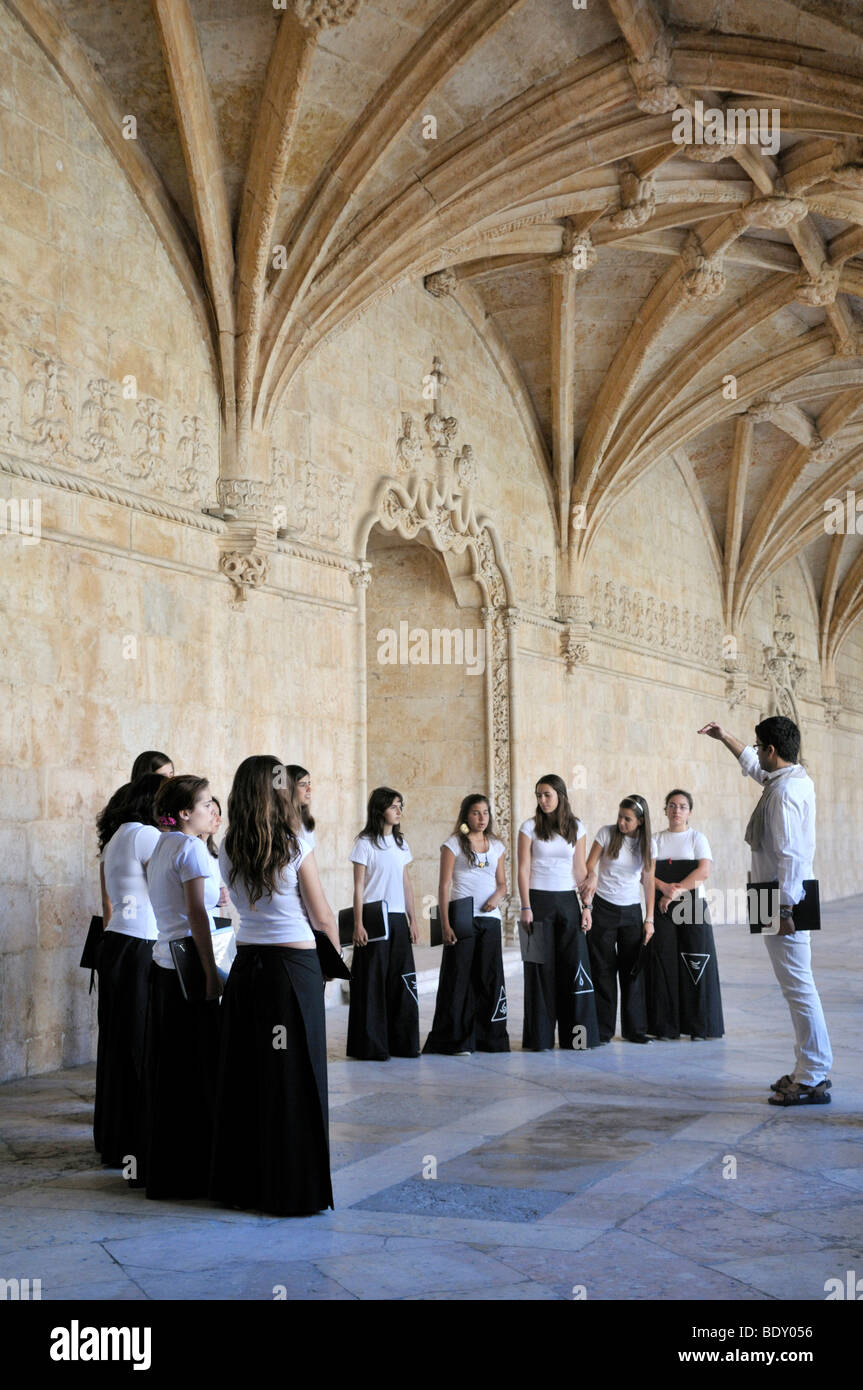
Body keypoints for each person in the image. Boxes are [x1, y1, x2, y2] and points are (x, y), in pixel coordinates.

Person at [211, 756, 336, 1215]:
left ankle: (246, 1184)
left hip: (249, 966)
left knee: (250, 1075)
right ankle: (293, 1187)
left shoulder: (227, 847)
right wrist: (335, 961)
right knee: (296, 1074)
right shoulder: (294, 842)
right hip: (295, 964)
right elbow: (321, 914)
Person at [699, 717, 832, 1105]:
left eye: (760, 747)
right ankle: (808, 1065)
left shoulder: (784, 794)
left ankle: (812, 1074)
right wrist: (725, 737)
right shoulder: (791, 780)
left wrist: (785, 909)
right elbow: (755, 768)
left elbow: (791, 855)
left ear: (772, 750)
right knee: (796, 987)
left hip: (781, 897)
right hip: (775, 894)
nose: (756, 752)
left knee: (799, 987)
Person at [139, 775, 222, 1198]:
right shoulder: (190, 848)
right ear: (185, 813)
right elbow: (196, 915)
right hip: (188, 966)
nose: (213, 810)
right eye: (206, 803)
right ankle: (193, 1171)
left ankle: (167, 1170)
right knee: (196, 1070)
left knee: (171, 1071)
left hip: (162, 964)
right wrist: (211, 970)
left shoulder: (162, 845)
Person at [93, 773, 163, 1168]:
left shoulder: (117, 836)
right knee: (140, 1044)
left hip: (118, 941)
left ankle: (114, 1137)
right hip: (141, 943)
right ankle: (138, 1142)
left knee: (118, 1043)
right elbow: (167, 888)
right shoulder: (146, 836)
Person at [517, 774, 600, 1051]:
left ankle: (577, 1039)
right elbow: (523, 869)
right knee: (538, 971)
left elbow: (580, 871)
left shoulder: (576, 827)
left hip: (568, 902)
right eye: (538, 795)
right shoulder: (529, 827)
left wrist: (586, 907)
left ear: (560, 796)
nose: (542, 800)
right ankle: (539, 1040)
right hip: (537, 903)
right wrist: (525, 906)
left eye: (547, 795)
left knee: (573, 969)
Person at [423, 795, 510, 1056]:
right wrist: (445, 925)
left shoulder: (496, 846)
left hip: (490, 920)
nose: (482, 818)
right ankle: (456, 1040)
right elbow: (444, 885)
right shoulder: (453, 845)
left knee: (489, 977)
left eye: (485, 813)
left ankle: (489, 1038)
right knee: (459, 978)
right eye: (475, 813)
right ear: (465, 815)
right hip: (461, 917)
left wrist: (496, 898)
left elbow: (503, 884)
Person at [346, 786, 419, 1060]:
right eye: (393, 806)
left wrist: (413, 919)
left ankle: (403, 1044)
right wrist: (357, 923)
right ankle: (372, 1045)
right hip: (374, 919)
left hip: (399, 918)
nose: (399, 811)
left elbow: (406, 883)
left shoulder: (402, 844)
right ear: (380, 810)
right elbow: (358, 887)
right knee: (372, 983)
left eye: (400, 805)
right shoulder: (364, 843)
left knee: (402, 982)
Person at [648, 789, 723, 1041]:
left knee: (696, 964)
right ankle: (666, 1028)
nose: (676, 810)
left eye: (682, 806)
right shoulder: (655, 839)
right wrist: (664, 890)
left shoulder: (696, 838)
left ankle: (700, 1026)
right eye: (672, 805)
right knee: (664, 964)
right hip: (662, 908)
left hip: (691, 905)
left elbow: (703, 871)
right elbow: (645, 873)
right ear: (665, 810)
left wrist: (674, 892)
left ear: (689, 812)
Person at [582, 796, 656, 1044]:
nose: (621, 822)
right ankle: (603, 1031)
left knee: (632, 971)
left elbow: (648, 882)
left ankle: (635, 1030)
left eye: (628, 819)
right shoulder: (606, 834)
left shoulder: (649, 845)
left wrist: (649, 919)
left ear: (640, 821)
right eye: (620, 817)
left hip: (631, 912)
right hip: (603, 909)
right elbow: (588, 865)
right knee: (603, 970)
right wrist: (591, 878)